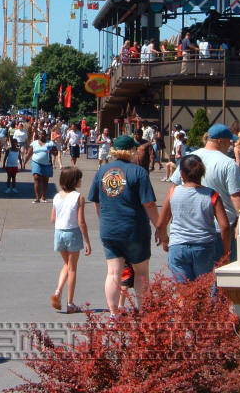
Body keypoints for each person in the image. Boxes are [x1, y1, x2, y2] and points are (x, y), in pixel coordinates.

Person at [88, 135, 160, 313]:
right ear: (131, 151)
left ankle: (114, 314)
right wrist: (160, 226)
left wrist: (104, 220)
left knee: (113, 272)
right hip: (135, 229)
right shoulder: (139, 172)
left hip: (110, 228)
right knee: (141, 272)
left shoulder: (102, 171)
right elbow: (149, 204)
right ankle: (142, 312)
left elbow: (97, 202)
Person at [169, 124, 240, 263]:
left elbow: (174, 190)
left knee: (192, 282)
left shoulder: (190, 158)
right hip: (220, 231)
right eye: (229, 141)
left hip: (187, 229)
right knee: (220, 277)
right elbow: (237, 199)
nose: (231, 145)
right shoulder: (229, 164)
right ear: (220, 141)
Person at [156, 154, 230, 282]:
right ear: (202, 173)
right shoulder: (212, 195)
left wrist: (165, 240)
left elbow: (160, 225)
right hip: (203, 247)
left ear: (181, 174)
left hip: (178, 246)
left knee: (183, 294)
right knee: (201, 291)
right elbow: (225, 226)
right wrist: (225, 252)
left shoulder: (173, 192)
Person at [50, 167, 91, 314]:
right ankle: (70, 303)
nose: (81, 181)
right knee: (72, 268)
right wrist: (87, 241)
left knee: (66, 264)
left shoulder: (56, 196)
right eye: (79, 178)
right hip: (72, 232)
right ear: (74, 181)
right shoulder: (78, 197)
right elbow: (81, 222)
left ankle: (58, 291)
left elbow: (52, 219)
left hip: (59, 232)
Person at [24, 130, 56, 203]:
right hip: (36, 163)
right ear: (38, 135)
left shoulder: (50, 143)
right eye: (40, 134)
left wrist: (52, 152)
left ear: (46, 135)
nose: (42, 136)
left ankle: (43, 197)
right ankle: (37, 198)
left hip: (47, 164)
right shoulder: (34, 143)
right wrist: (24, 163)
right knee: (36, 177)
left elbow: (56, 153)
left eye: (43, 134)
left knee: (45, 181)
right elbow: (29, 154)